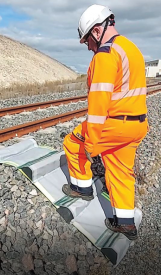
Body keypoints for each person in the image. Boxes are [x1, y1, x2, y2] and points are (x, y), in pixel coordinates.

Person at [62, 4, 148, 240]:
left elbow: (99, 101)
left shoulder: (106, 54)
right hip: (136, 125)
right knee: (120, 170)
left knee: (72, 143)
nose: (88, 46)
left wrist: (91, 142)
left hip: (114, 123)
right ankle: (125, 223)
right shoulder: (130, 48)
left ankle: (81, 188)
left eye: (87, 40)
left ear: (97, 31)